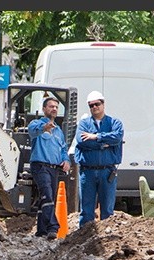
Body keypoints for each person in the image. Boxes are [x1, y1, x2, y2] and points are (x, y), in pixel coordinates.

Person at [74, 90, 124, 228]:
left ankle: (107, 236)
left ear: (103, 104)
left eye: (97, 104)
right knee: (86, 209)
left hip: (107, 171)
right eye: (91, 105)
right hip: (87, 172)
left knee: (107, 209)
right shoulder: (84, 124)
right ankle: (85, 235)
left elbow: (117, 137)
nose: (94, 107)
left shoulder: (114, 123)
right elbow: (82, 141)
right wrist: (105, 144)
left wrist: (96, 137)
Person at [28, 96, 71, 240]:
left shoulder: (58, 131)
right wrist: (43, 128)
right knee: (46, 193)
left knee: (48, 198)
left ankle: (41, 231)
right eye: (51, 106)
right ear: (44, 109)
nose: (54, 109)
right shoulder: (36, 123)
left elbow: (63, 149)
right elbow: (33, 131)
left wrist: (66, 160)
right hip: (40, 166)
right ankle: (53, 227)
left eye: (56, 107)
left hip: (54, 169)